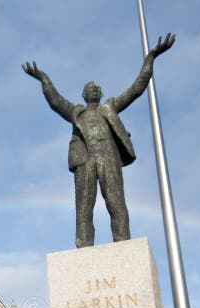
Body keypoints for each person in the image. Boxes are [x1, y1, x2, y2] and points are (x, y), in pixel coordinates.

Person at [22, 34, 175, 248]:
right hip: (84, 159)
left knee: (115, 201)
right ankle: (84, 245)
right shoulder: (76, 112)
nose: (93, 88)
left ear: (101, 93)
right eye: (89, 87)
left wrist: (150, 58)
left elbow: (136, 88)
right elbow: (56, 101)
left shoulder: (109, 107)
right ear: (84, 94)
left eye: (97, 87)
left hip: (107, 156)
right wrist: (43, 79)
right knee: (84, 206)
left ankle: (122, 242)